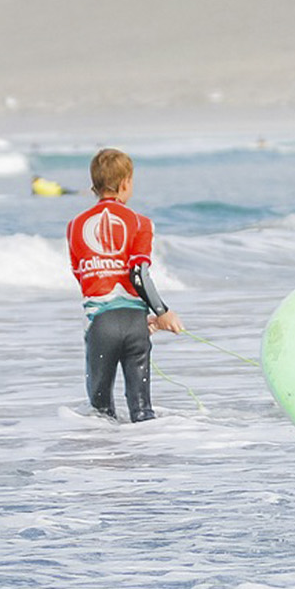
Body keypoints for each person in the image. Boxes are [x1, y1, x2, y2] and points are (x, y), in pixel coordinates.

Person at [65, 149, 183, 422]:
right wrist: (161, 312)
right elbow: (138, 275)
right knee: (142, 412)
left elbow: (81, 276)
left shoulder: (75, 226)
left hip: (100, 327)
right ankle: (148, 461)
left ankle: (104, 463)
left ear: (93, 184)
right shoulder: (141, 223)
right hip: (135, 325)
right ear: (126, 184)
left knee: (100, 413)